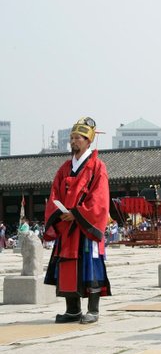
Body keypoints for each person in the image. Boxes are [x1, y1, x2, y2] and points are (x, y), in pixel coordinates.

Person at [43, 117, 111, 324]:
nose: (73, 141)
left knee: (91, 266)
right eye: (72, 138)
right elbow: (54, 192)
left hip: (85, 227)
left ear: (88, 141)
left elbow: (100, 198)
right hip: (66, 226)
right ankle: (72, 310)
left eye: (78, 138)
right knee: (66, 266)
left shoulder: (98, 167)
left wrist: (78, 213)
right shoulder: (64, 168)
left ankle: (93, 309)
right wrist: (59, 211)